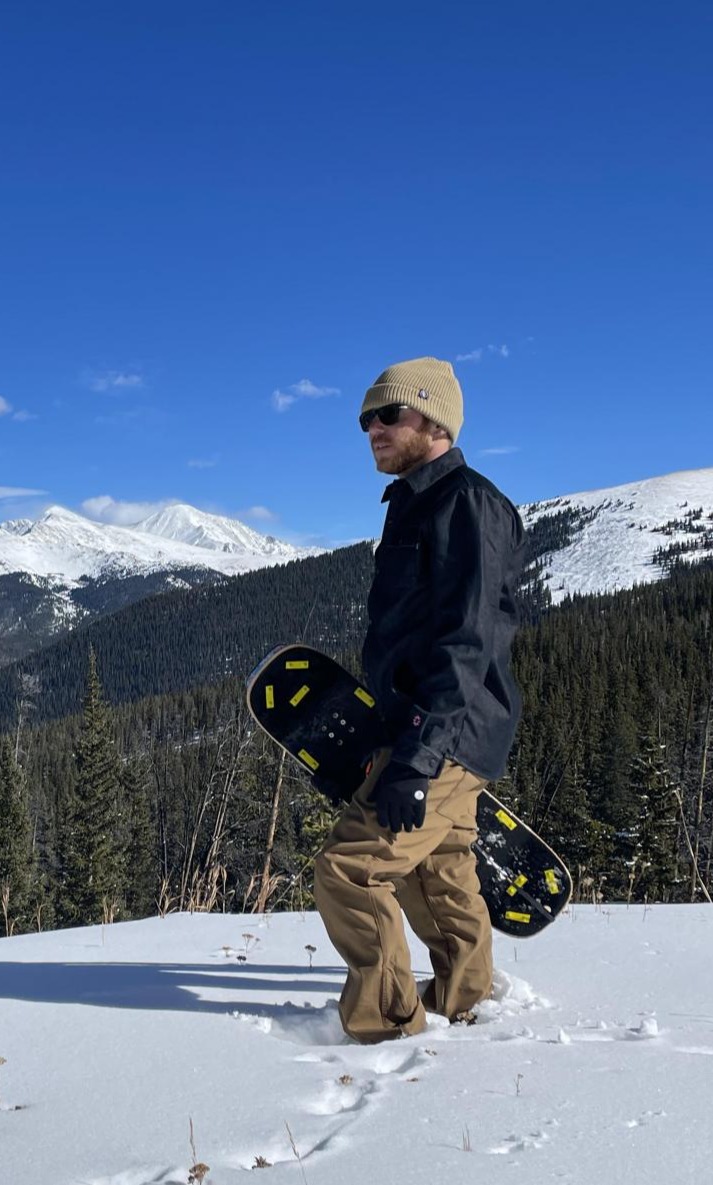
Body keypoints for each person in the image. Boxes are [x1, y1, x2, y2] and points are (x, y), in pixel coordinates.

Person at [313, 356, 526, 1043]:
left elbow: (467, 641)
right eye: (364, 418)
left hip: (446, 732)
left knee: (350, 869)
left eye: (386, 414)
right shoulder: (415, 501)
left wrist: (417, 757)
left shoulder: (466, 503)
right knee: (437, 865)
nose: (370, 428)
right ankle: (467, 996)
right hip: (433, 726)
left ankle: (383, 1023)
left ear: (430, 418)